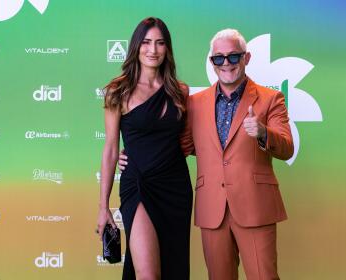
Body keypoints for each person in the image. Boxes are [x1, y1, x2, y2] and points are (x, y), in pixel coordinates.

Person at [120, 29, 293, 279]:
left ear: (247, 58)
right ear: (211, 62)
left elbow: (287, 147)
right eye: (218, 58)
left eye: (234, 57)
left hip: (255, 207)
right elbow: (180, 145)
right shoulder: (196, 102)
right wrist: (137, 153)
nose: (226, 64)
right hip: (212, 211)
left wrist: (263, 132)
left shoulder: (270, 98)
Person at [97, 17, 192, 280]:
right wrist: (103, 207)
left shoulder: (180, 92)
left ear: (167, 49)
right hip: (138, 185)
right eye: (147, 42)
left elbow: (188, 141)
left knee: (174, 269)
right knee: (148, 274)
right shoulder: (119, 91)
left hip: (175, 188)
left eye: (160, 43)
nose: (153, 50)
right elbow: (111, 149)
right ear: (136, 46)